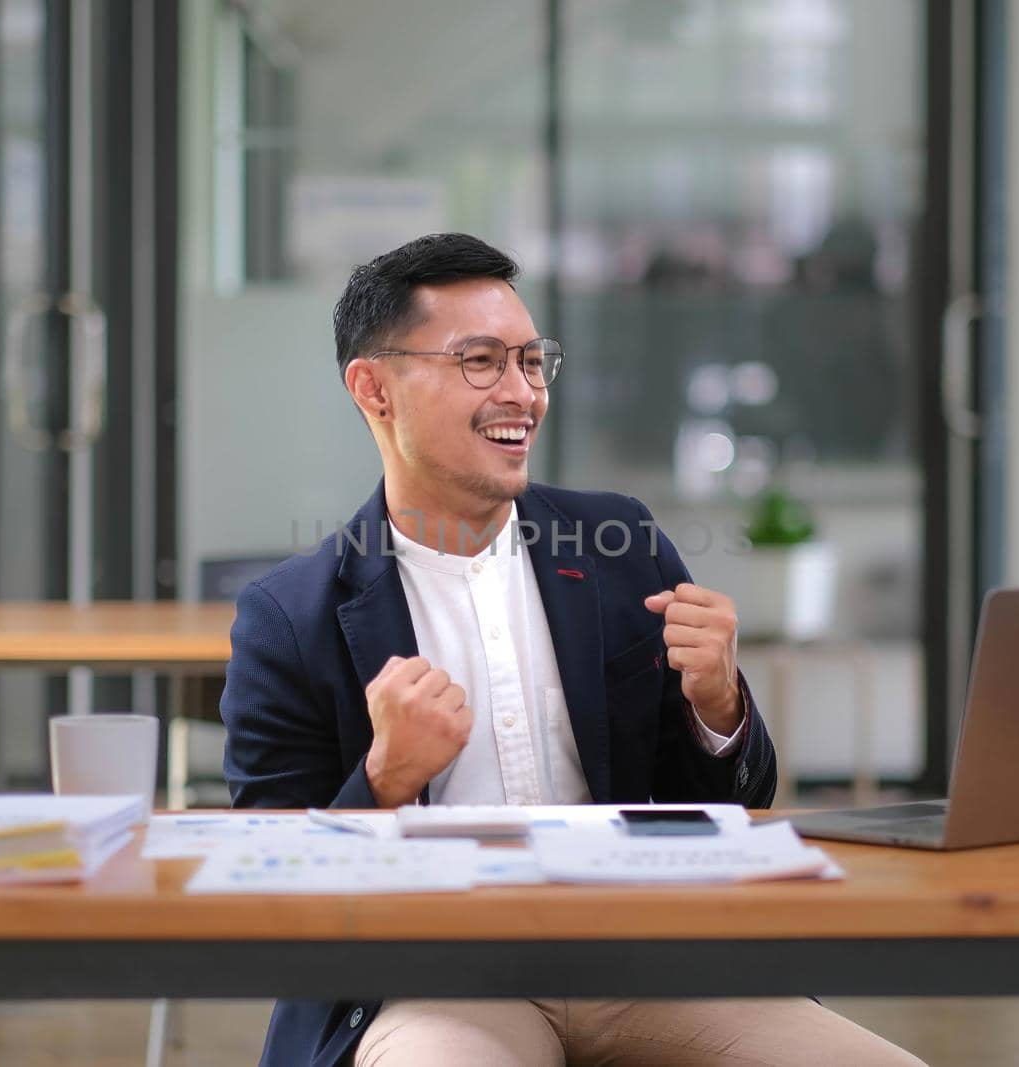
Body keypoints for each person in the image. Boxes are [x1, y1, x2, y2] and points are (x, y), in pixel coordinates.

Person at [220, 233, 925, 1066]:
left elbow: (725, 796)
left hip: (641, 953)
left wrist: (720, 708)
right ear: (374, 388)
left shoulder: (620, 544)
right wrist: (384, 779)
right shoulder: (290, 614)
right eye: (480, 361)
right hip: (433, 975)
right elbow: (273, 890)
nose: (522, 392)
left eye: (531, 359)